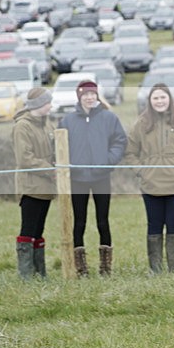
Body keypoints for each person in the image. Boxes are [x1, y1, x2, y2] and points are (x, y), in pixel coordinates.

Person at [123, 84, 174, 274]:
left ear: (170, 100)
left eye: (163, 98)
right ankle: (156, 269)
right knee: (154, 225)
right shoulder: (141, 124)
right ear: (150, 101)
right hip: (150, 185)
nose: (159, 101)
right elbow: (130, 152)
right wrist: (141, 171)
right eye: (156, 98)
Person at [58, 80, 126, 277]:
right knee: (79, 221)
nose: (89, 98)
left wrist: (108, 160)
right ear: (79, 96)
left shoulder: (108, 118)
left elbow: (120, 141)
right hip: (78, 178)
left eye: (92, 94)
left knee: (102, 221)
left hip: (101, 177)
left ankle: (105, 266)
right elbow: (59, 145)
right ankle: (81, 267)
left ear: (97, 96)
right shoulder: (68, 121)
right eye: (85, 94)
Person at [12, 87, 55, 280]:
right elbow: (25, 159)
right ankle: (26, 275)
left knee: (39, 230)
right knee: (28, 230)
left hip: (46, 188)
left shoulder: (48, 125)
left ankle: (40, 273)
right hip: (31, 187)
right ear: (38, 105)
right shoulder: (23, 126)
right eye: (47, 102)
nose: (50, 106)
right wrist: (50, 170)